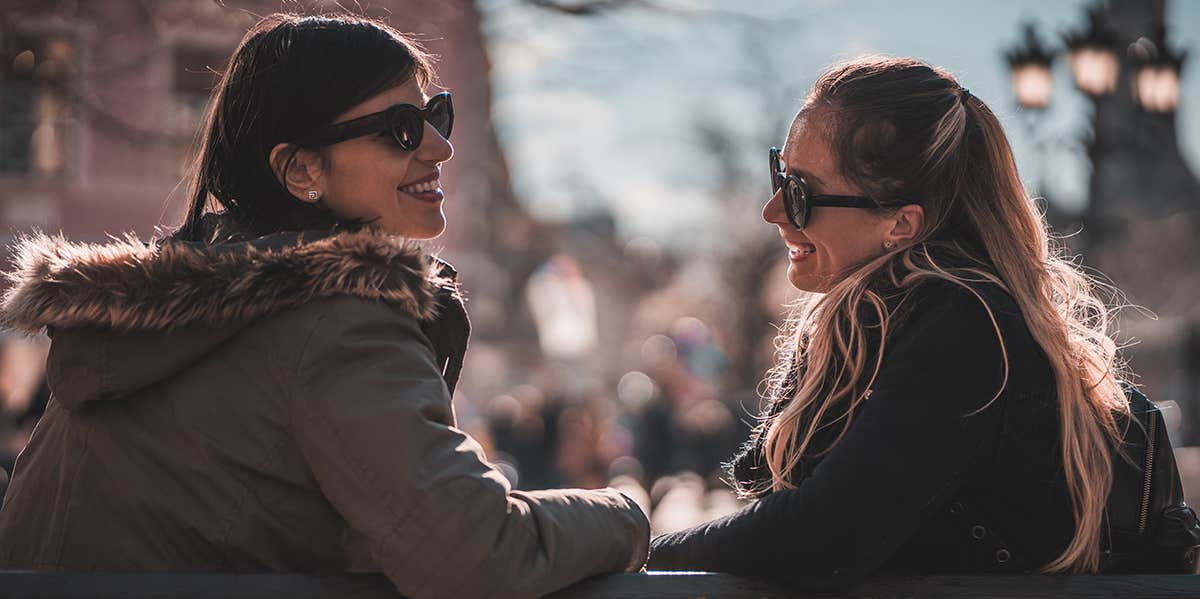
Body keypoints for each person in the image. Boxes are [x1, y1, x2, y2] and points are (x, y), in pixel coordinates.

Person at [0, 14, 648, 598]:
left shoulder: (166, 319)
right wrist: (626, 515)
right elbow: (475, 550)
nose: (439, 146)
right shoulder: (339, 318)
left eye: (437, 114)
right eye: (400, 128)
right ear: (302, 171)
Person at [647, 56, 1171, 585]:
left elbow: (820, 533)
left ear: (901, 223)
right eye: (780, 174)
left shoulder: (966, 329)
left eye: (801, 192)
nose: (774, 210)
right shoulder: (882, 325)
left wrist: (624, 551)